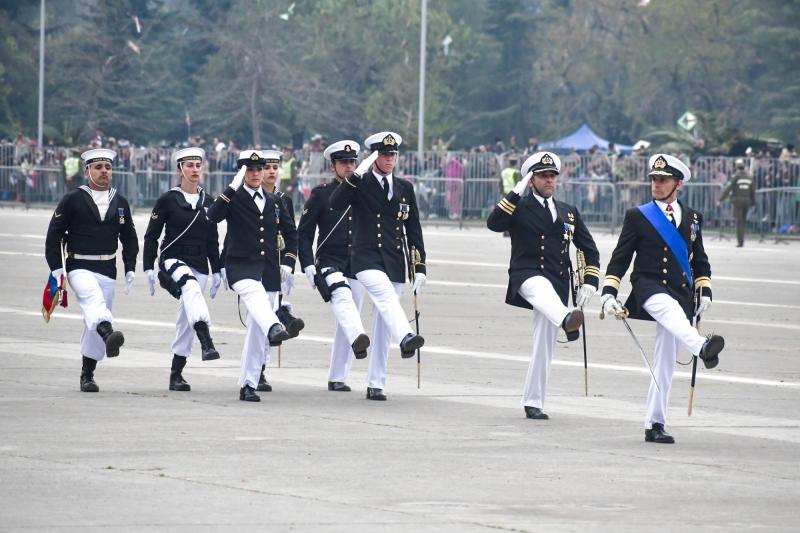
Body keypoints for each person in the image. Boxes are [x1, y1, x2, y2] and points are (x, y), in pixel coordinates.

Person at [600, 154, 725, 444]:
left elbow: (700, 260)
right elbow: (620, 258)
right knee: (666, 309)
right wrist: (608, 291)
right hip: (648, 286)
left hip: (681, 292)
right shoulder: (638, 215)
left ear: (677, 183)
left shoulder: (693, 217)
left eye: (663, 180)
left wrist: (705, 290)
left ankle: (655, 423)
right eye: (653, 179)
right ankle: (701, 346)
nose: (656, 184)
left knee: (665, 361)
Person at [487, 151, 600, 420]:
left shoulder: (567, 212)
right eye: (542, 176)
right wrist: (514, 193)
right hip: (527, 275)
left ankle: (533, 401)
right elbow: (494, 223)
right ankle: (566, 318)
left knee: (544, 345)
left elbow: (588, 248)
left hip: (558, 282)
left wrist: (590, 281)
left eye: (552, 176)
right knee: (541, 288)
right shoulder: (520, 206)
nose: (549, 180)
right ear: (531, 179)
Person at [329, 131, 426, 401]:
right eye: (384, 154)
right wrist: (354, 176)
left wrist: (420, 267)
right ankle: (407, 336)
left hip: (394, 259)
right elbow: (335, 204)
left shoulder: (405, 188)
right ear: (374, 156)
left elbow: (413, 230)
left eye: (393, 154)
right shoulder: (360, 182)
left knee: (384, 321)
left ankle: (376, 383)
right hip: (365, 258)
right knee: (384, 296)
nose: (390, 158)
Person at [44, 148, 139, 392]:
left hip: (107, 267)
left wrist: (130, 267)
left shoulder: (120, 202)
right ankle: (109, 334)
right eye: (98, 167)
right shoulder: (73, 199)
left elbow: (129, 237)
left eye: (107, 167)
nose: (104, 171)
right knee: (94, 302)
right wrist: (56, 268)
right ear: (87, 172)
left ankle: (88, 374)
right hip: (79, 266)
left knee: (93, 321)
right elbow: (53, 234)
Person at [207, 150, 298, 402]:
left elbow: (291, 233)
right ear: (242, 173)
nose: (257, 174)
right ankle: (276, 325)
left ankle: (248, 383)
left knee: (256, 331)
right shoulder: (233, 199)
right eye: (251, 170)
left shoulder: (274, 201)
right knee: (257, 302)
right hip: (241, 268)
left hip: (268, 270)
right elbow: (212, 217)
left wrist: (289, 263)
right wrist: (232, 187)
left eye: (259, 170)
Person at [142, 147, 222, 392]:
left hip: (200, 264)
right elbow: (151, 236)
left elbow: (212, 240)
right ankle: (206, 340)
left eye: (198, 165)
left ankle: (176, 373)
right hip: (173, 260)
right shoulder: (168, 199)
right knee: (188, 285)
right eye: (189, 165)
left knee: (185, 320)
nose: (195, 169)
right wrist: (148, 267)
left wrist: (217, 270)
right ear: (179, 170)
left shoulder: (208, 202)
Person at [298, 139, 371, 392]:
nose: (350, 166)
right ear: (333, 166)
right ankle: (357, 339)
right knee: (342, 300)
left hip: (357, 262)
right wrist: (307, 265)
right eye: (344, 162)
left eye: (353, 162)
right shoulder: (321, 194)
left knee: (347, 317)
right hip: (330, 260)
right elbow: (304, 233)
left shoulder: (364, 192)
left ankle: (338, 376)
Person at [251, 148, 304, 392]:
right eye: (267, 167)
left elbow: (292, 236)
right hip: (252, 266)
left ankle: (262, 370)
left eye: (275, 167)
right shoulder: (248, 197)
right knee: (261, 319)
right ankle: (255, 370)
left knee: (269, 316)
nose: (271, 172)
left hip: (276, 266)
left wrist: (290, 263)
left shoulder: (283, 200)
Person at [719, 158, 756, 247]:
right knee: (743, 221)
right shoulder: (750, 177)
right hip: (747, 201)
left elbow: (729, 188)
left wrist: (721, 199)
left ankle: (740, 241)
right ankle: (741, 239)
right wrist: (753, 202)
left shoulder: (736, 176)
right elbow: (753, 191)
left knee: (739, 222)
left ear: (737, 168)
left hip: (738, 201)